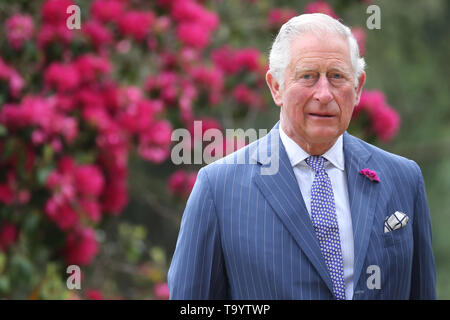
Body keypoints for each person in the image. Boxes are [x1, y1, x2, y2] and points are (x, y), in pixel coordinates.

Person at [168, 13, 436, 300]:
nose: (324, 93)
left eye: (337, 76)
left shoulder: (404, 179)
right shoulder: (218, 188)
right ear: (276, 87)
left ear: (357, 88)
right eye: (308, 76)